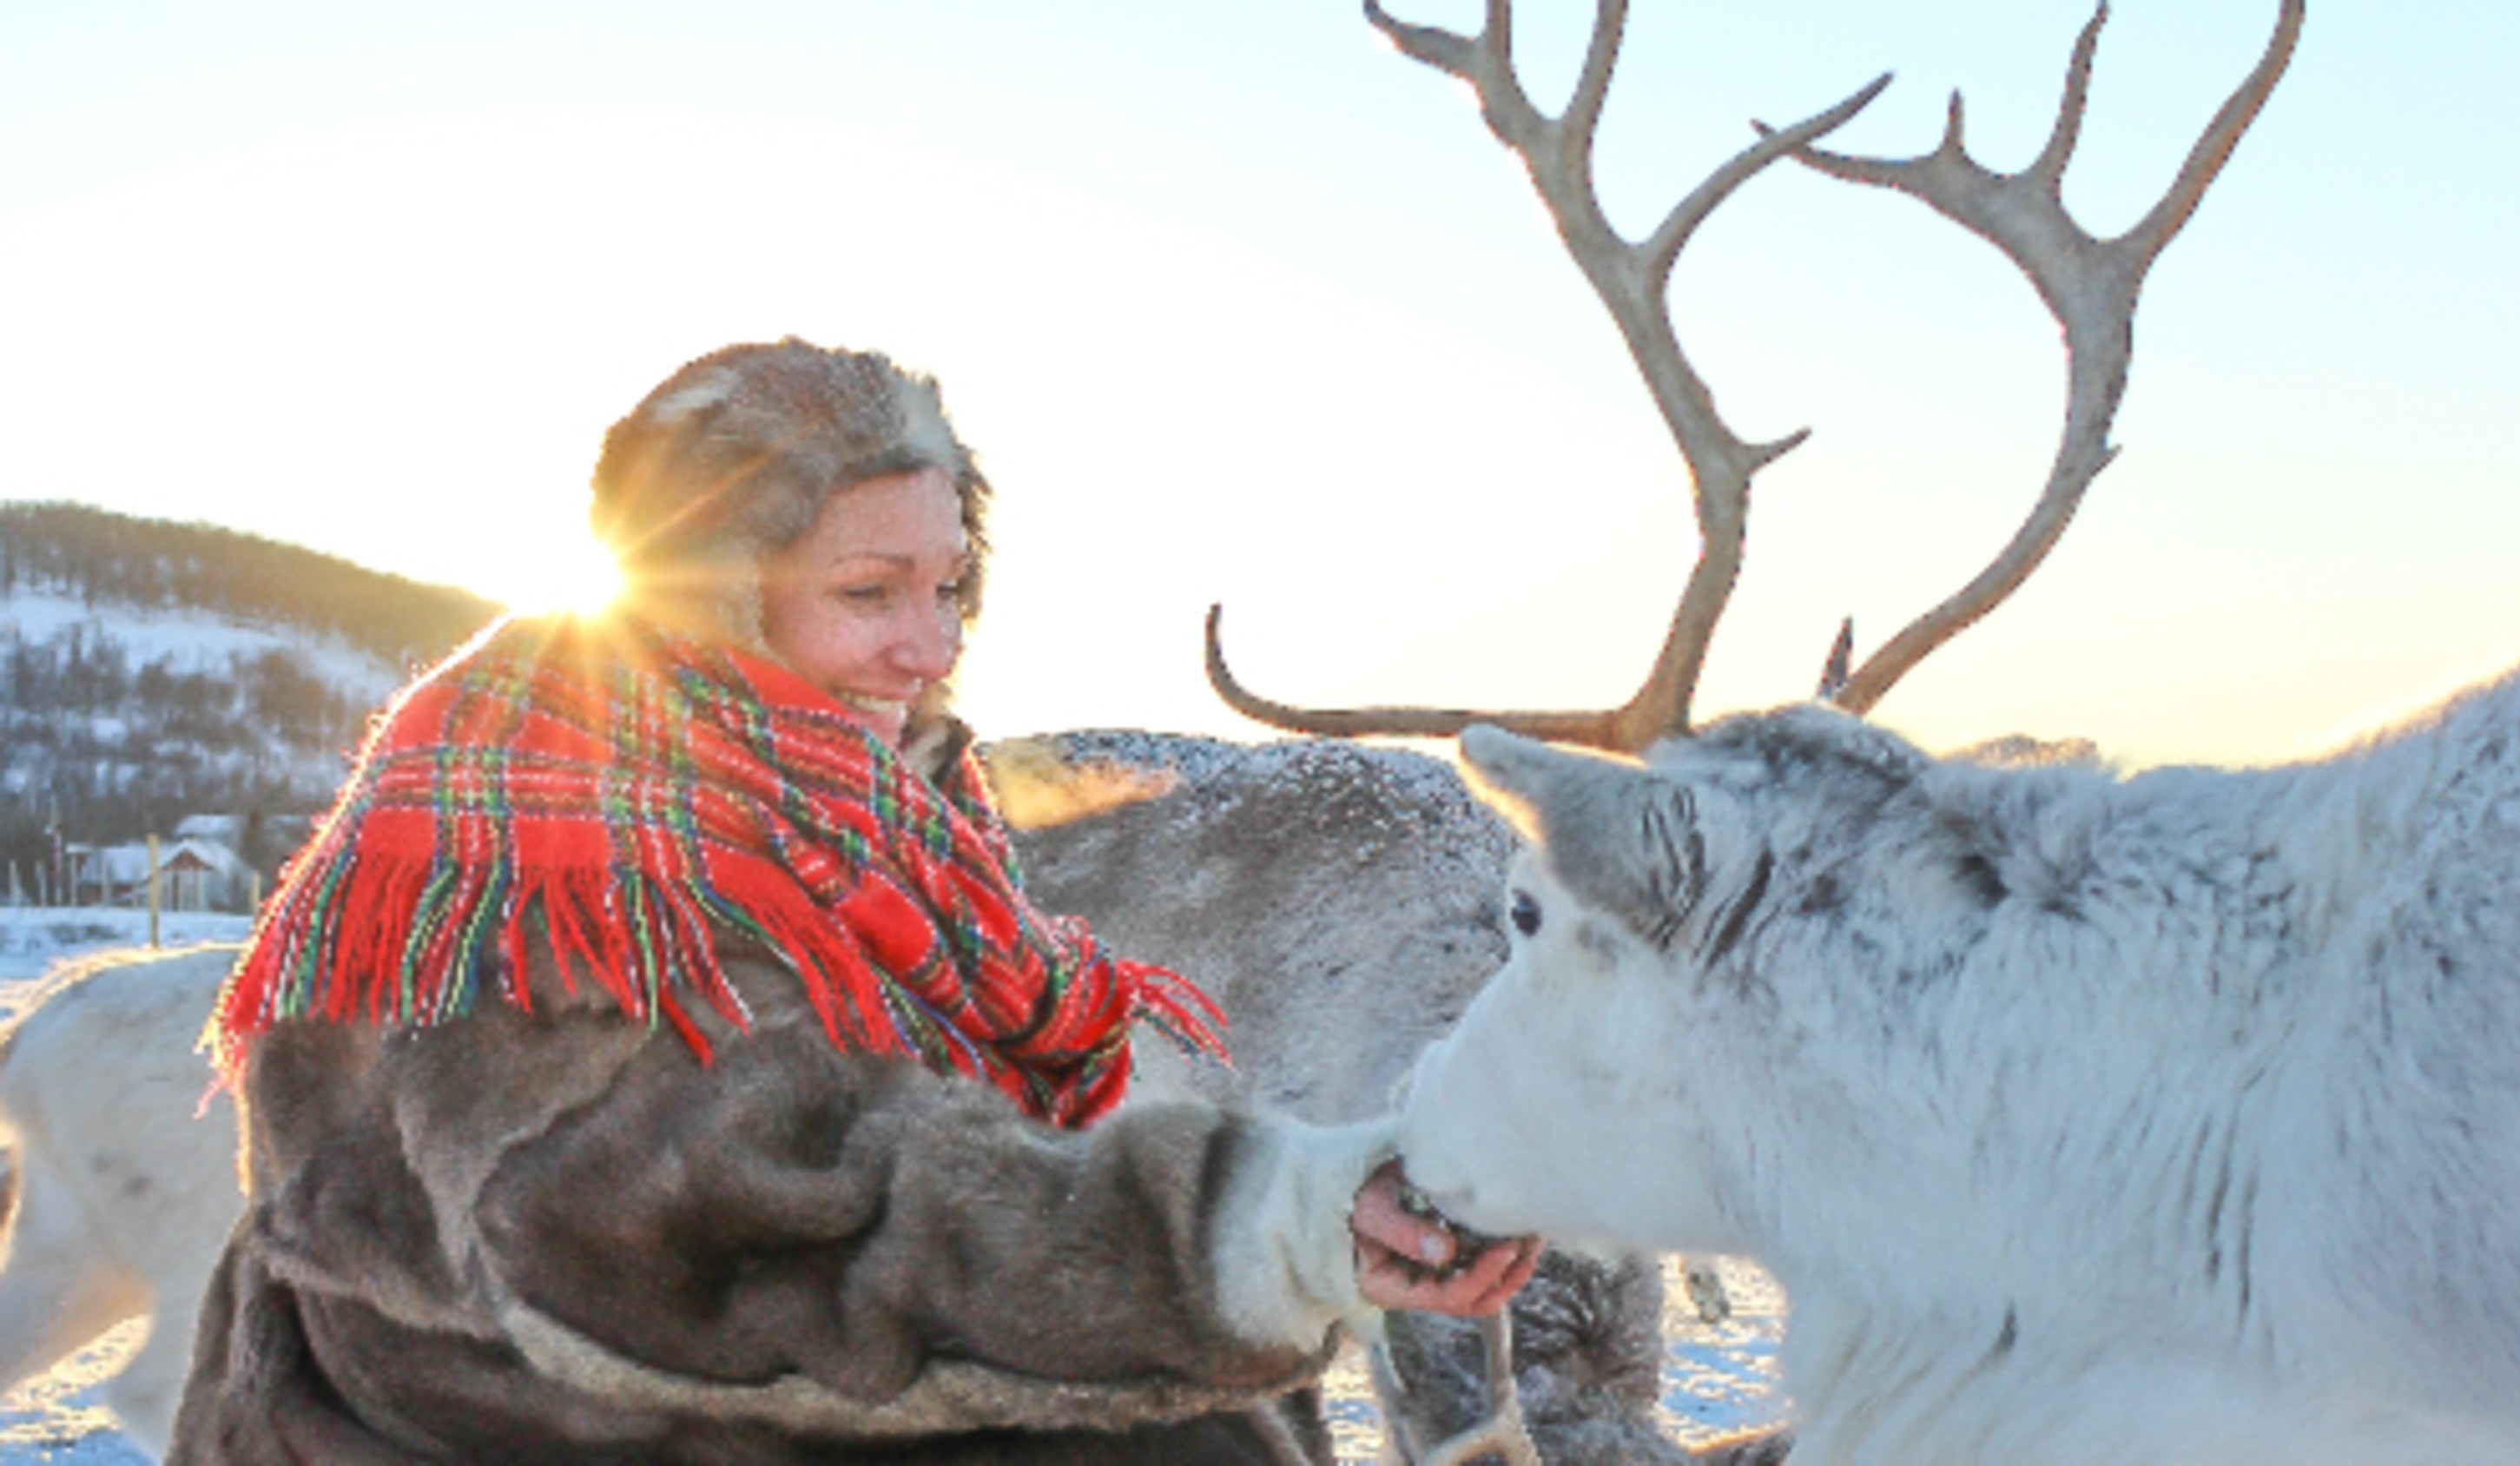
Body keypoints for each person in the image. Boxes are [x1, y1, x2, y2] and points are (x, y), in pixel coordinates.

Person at [169, 339, 1537, 1465]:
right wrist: (1256, 1227)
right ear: (714, 595)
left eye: (949, 589)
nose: (928, 646)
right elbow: (752, 1217)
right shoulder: (546, 841)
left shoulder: (870, 815)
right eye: (870, 592)